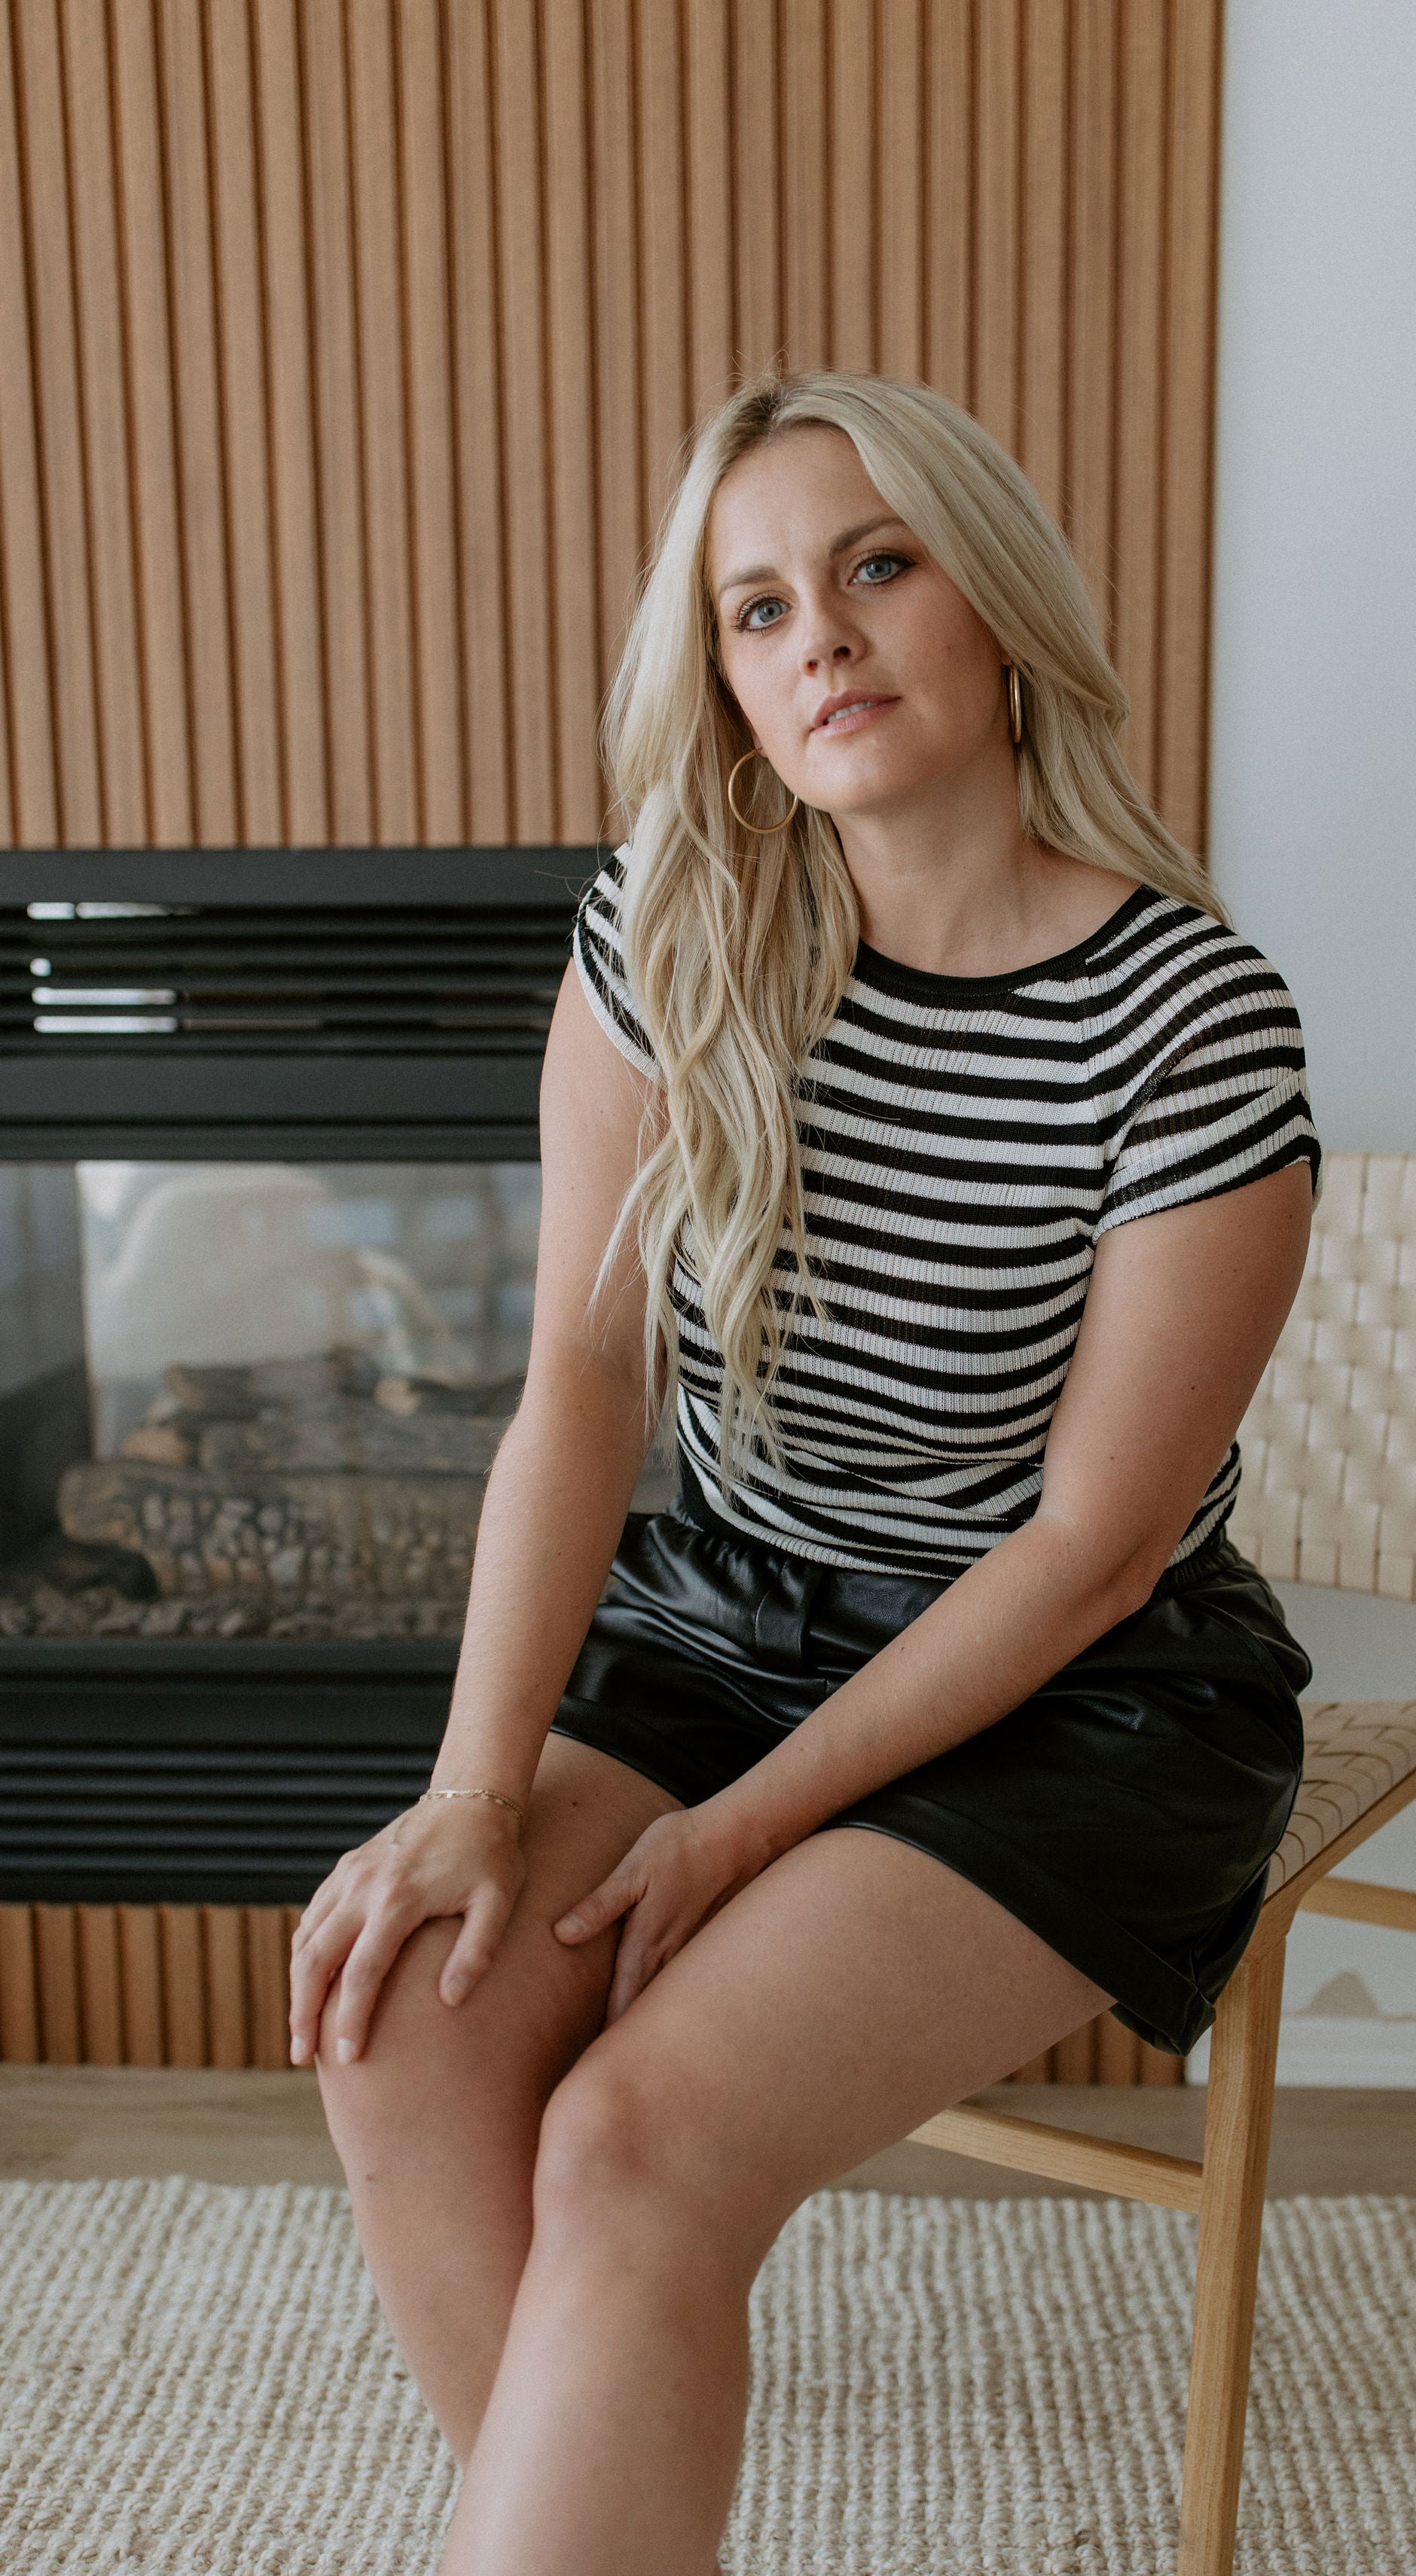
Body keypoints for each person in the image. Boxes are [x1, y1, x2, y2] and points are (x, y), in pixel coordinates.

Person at [288, 370, 1319, 2576]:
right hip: (732, 1619)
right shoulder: (674, 933)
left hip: (1082, 1685)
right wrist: (475, 1793)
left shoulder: (1190, 1022)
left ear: (998, 603)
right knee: (401, 2031)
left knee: (637, 2136)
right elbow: (582, 1385)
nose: (820, 637)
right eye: (755, 608)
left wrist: (744, 1835)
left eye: (875, 566)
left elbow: (1094, 1545)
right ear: (729, 687)